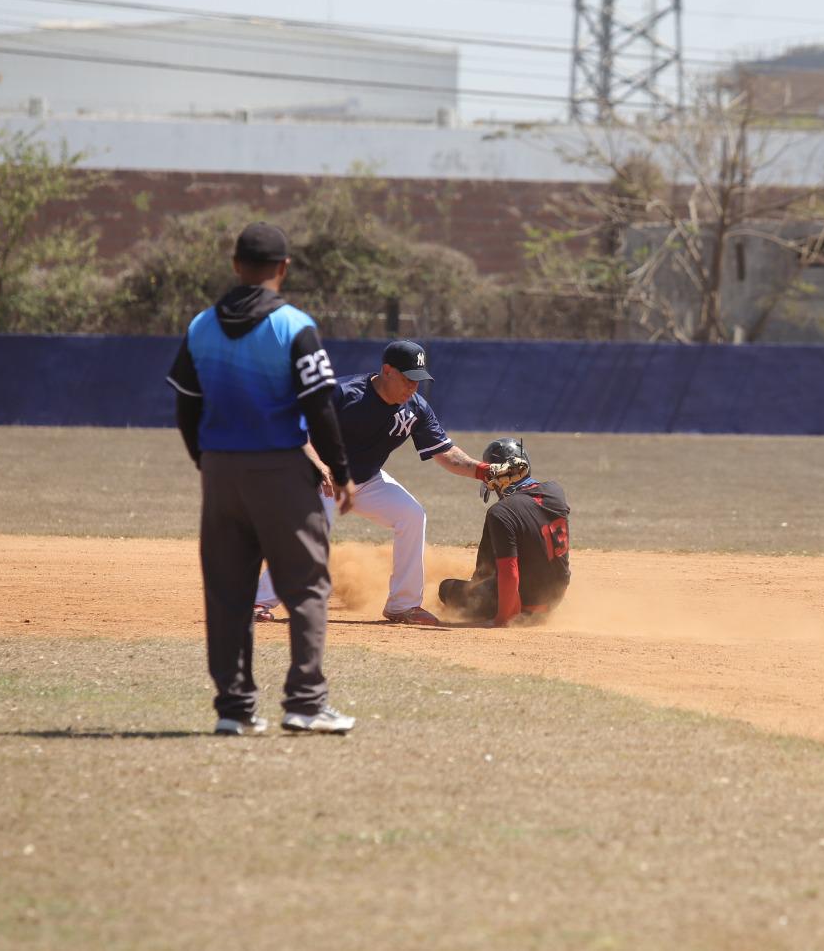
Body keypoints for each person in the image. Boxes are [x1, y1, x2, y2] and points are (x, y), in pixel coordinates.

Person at [167, 221, 358, 736]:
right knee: (307, 586)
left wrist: (206, 461)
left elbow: (186, 403)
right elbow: (320, 407)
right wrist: (341, 473)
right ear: (283, 269)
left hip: (221, 471)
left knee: (228, 592)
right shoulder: (293, 325)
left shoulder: (201, 326)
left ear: (235, 265)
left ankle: (234, 710)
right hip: (279, 471)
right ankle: (306, 703)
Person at [252, 339, 526, 626]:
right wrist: (317, 464)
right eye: (408, 379)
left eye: (419, 380)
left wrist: (484, 470)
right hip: (319, 479)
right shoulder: (343, 394)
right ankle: (259, 601)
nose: (413, 387)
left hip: (366, 479)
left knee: (411, 514)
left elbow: (445, 453)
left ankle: (403, 606)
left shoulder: (416, 408)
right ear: (387, 371)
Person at [438, 438, 571, 627]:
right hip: (554, 599)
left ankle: (497, 608)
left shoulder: (501, 512)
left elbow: (510, 574)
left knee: (446, 588)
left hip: (524, 605)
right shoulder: (555, 491)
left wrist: (501, 620)